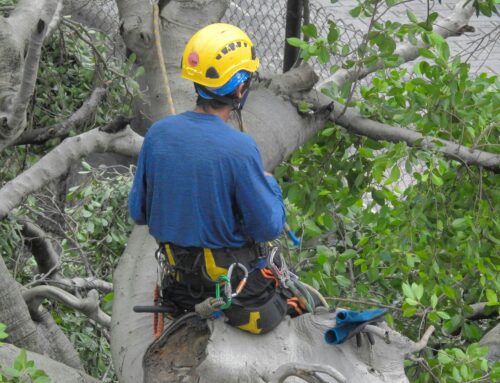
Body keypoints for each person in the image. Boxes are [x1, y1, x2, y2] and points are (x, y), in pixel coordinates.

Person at [128, 23, 293, 334]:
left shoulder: (159, 133)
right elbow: (267, 226)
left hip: (178, 288)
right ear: (241, 86)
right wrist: (268, 184)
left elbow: (138, 212)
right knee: (292, 301)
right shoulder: (240, 148)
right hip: (235, 295)